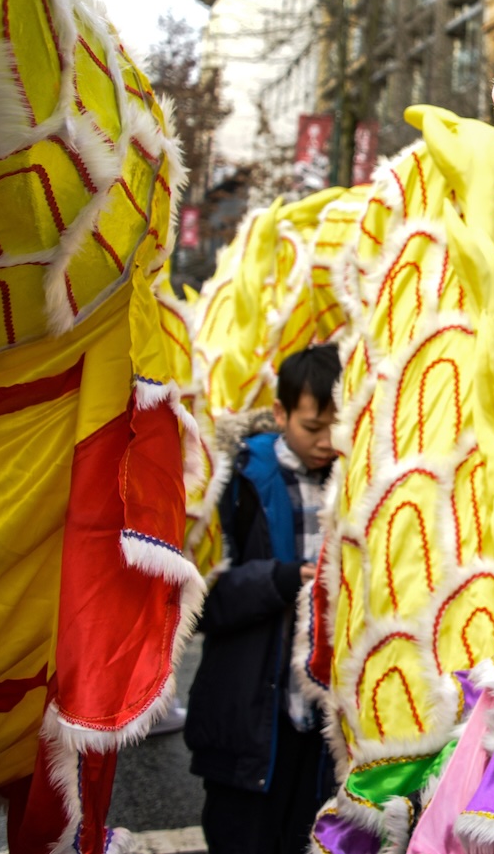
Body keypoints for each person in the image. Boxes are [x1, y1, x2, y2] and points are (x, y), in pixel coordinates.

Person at [186, 345, 343, 854]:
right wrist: (281, 579)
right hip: (249, 721)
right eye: (312, 427)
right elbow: (198, 599)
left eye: (336, 428)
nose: (325, 443)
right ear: (279, 415)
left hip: (319, 730)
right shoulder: (233, 481)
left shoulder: (355, 482)